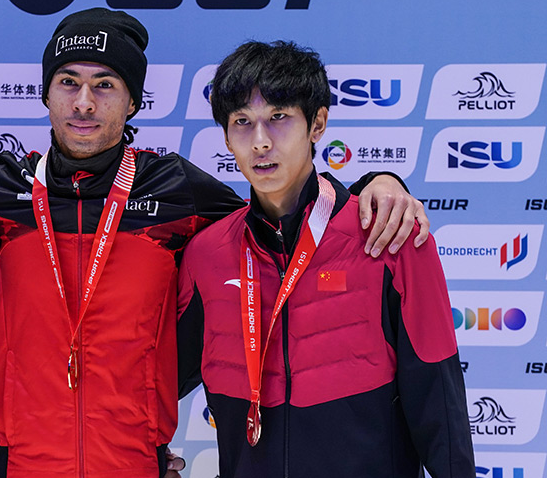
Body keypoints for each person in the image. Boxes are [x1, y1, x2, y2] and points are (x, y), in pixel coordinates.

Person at [0, 9, 428, 478]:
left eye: (105, 85)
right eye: (68, 83)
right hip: (23, 462)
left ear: (132, 102)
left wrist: (376, 184)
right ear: (46, 94)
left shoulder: (175, 188)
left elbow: (279, 215)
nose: (84, 102)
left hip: (135, 461)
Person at [177, 41, 473, 477]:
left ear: (317, 124)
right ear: (225, 137)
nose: (260, 141)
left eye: (279, 117)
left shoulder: (389, 235)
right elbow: (158, 380)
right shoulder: (206, 254)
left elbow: (437, 392)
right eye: (242, 122)